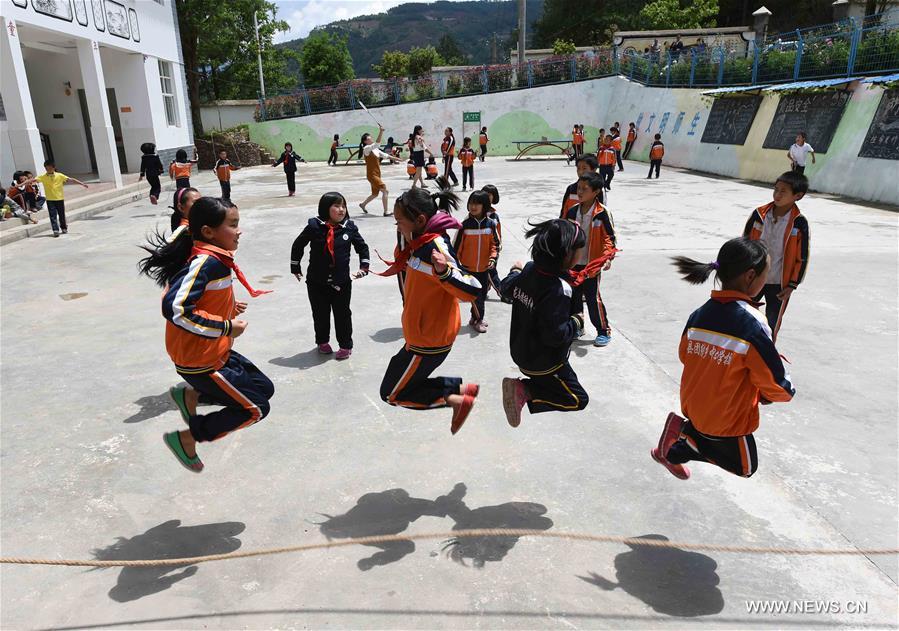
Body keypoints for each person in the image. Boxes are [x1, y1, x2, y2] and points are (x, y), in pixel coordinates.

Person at [138, 197, 274, 473]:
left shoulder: (217, 260)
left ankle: (191, 397)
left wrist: (227, 307)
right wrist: (225, 326)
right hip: (201, 360)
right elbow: (175, 308)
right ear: (209, 232)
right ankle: (187, 438)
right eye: (233, 225)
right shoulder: (205, 262)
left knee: (264, 389)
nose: (239, 231)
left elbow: (201, 299)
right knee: (256, 409)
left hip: (216, 351)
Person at [653, 237, 795, 480]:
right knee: (746, 467)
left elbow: (684, 355)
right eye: (766, 273)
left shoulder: (699, 314)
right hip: (725, 419)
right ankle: (684, 434)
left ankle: (680, 443)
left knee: (698, 445)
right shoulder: (752, 323)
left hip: (694, 405)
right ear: (751, 276)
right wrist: (782, 392)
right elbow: (776, 383)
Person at [376, 179, 481, 435]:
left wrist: (444, 272)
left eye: (400, 222)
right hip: (418, 335)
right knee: (395, 386)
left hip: (429, 340)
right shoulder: (418, 242)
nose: (398, 228)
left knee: (391, 393)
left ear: (420, 220)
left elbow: (473, 289)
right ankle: (458, 393)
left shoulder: (435, 248)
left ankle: (458, 397)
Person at [499, 218, 589, 427]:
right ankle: (525, 391)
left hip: (522, 354)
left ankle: (525, 390)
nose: (582, 255)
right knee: (577, 399)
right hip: (546, 364)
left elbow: (506, 288)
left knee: (558, 388)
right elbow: (554, 335)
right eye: (579, 250)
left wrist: (515, 271)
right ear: (566, 254)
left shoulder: (530, 270)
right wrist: (576, 322)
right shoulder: (558, 289)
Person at [291, 192, 369, 360]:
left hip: (341, 282)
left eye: (343, 206)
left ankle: (345, 345)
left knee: (343, 315)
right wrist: (295, 266)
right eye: (336, 206)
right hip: (316, 282)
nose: (341, 210)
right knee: (320, 314)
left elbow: (362, 247)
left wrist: (364, 266)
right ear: (325, 208)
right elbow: (298, 244)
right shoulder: (314, 226)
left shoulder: (349, 227)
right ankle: (322, 341)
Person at [742, 171, 810, 340]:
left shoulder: (799, 223)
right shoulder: (759, 214)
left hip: (779, 284)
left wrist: (792, 285)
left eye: (783, 191)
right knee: (743, 315)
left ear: (798, 196)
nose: (777, 195)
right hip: (753, 276)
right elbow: (744, 243)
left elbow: (802, 257)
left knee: (771, 323)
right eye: (776, 189)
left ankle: (766, 356)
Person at [565, 173, 617, 347]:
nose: (579, 192)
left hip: (591, 265)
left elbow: (610, 238)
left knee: (592, 297)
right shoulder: (572, 211)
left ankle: (603, 330)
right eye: (579, 188)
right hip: (573, 263)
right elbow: (565, 235)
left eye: (584, 189)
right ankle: (578, 326)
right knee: (574, 297)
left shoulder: (602, 213)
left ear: (596, 192)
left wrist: (607, 257)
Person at [453, 190, 499, 333]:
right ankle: (477, 318)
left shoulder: (491, 224)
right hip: (467, 268)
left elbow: (495, 245)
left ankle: (477, 319)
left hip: (484, 269)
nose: (473, 206)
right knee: (473, 296)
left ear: (485, 206)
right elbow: (456, 247)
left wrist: (492, 258)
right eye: (471, 203)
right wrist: (457, 265)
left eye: (477, 203)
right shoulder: (465, 226)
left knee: (481, 295)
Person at [24, 160, 88, 237]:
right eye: (47, 169)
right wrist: (19, 185)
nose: (48, 170)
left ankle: (64, 227)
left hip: (59, 199)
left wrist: (82, 184)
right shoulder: (43, 177)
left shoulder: (59, 175)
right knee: (52, 215)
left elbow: (71, 179)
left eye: (50, 168)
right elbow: (31, 180)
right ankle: (55, 230)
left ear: (54, 168)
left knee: (61, 215)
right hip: (50, 200)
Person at [359, 126, 404, 216]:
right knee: (385, 190)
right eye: (369, 138)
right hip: (372, 175)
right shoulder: (366, 149)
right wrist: (381, 131)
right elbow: (377, 143)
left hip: (377, 174)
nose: (371, 138)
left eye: (370, 137)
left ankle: (363, 204)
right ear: (365, 141)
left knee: (375, 194)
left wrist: (398, 159)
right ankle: (386, 211)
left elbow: (386, 156)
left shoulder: (375, 150)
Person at [481, 184, 506, 301]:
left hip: (493, 249)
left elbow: (498, 232)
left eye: (490, 194)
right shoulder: (478, 213)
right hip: (481, 248)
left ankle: (485, 290)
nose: (487, 196)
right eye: (485, 193)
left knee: (490, 270)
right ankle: (502, 292)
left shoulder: (495, 216)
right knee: (491, 272)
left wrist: (499, 244)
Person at [560, 154, 600, 218]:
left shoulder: (597, 190)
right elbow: (563, 212)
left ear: (594, 170)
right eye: (578, 168)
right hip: (571, 226)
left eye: (584, 168)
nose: (580, 172)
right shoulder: (571, 189)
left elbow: (600, 212)